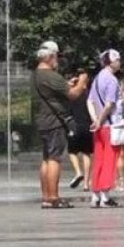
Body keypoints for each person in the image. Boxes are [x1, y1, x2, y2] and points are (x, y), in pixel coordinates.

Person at [32, 41, 88, 209]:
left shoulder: (35, 75)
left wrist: (67, 84)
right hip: (54, 122)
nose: (57, 60)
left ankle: (45, 197)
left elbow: (52, 93)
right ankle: (54, 197)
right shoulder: (51, 75)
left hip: (41, 121)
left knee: (46, 159)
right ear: (50, 57)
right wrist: (82, 82)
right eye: (56, 56)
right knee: (55, 159)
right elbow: (73, 95)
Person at [87, 49, 123, 208]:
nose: (120, 62)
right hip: (109, 126)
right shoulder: (112, 80)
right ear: (111, 61)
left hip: (99, 127)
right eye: (118, 60)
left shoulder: (96, 79)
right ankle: (105, 196)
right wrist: (101, 120)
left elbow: (89, 101)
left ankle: (95, 194)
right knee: (110, 159)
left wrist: (95, 120)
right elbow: (109, 104)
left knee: (98, 159)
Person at [68, 68, 94, 191]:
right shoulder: (90, 93)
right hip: (88, 126)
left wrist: (70, 84)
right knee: (86, 153)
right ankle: (86, 184)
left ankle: (78, 172)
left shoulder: (72, 93)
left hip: (74, 125)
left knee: (72, 152)